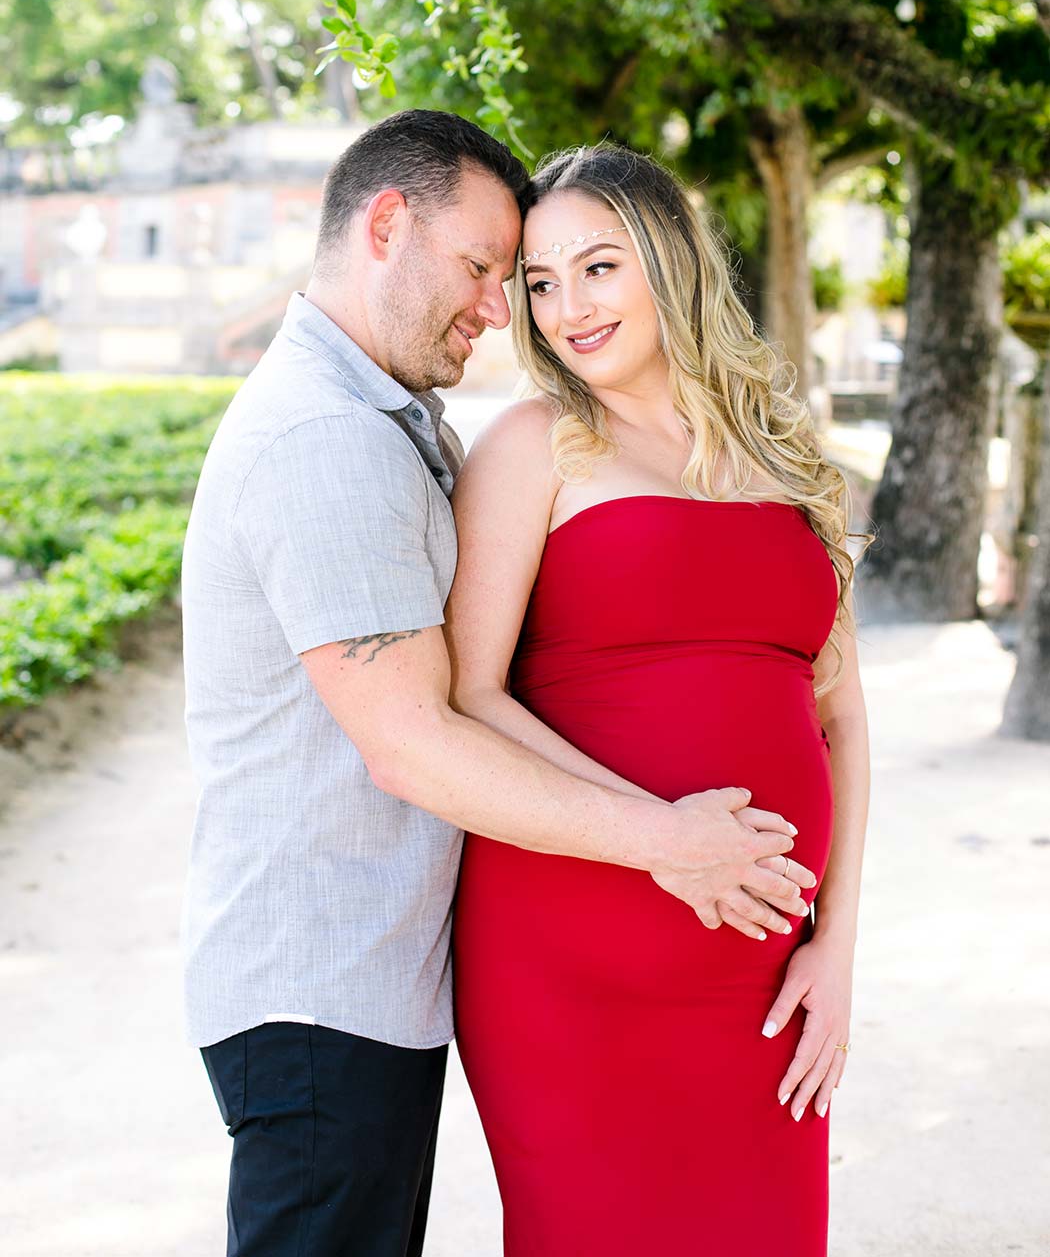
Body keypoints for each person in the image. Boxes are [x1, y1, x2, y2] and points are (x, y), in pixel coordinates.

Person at [180, 111, 816, 1257]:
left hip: (381, 971)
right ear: (385, 225)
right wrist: (667, 838)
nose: (501, 307)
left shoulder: (389, 422)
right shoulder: (324, 438)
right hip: (327, 978)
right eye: (494, 271)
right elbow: (415, 737)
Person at [447, 143, 871, 1257]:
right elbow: (471, 696)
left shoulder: (788, 460)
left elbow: (842, 717)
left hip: (766, 976)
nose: (568, 308)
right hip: (572, 963)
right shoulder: (534, 446)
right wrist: (665, 838)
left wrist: (837, 946)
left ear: (670, 260)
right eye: (540, 284)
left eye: (598, 267)